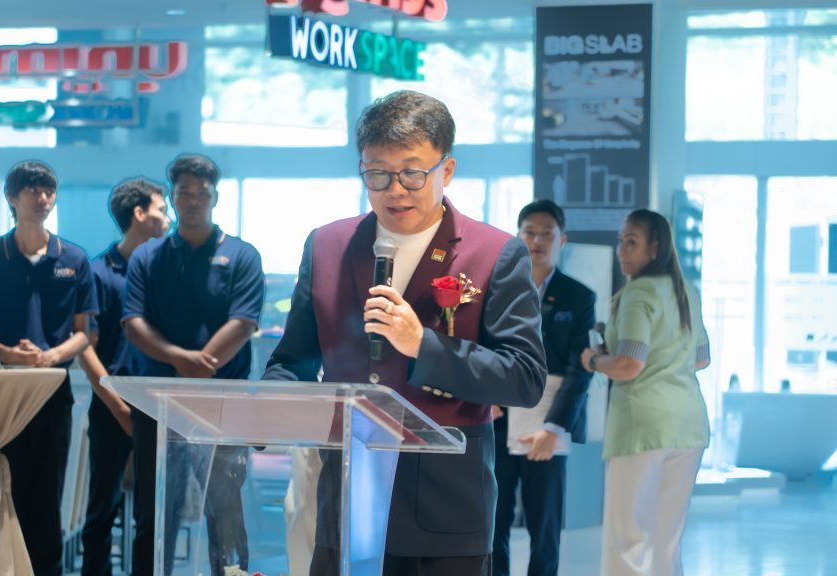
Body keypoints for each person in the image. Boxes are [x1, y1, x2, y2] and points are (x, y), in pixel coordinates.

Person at [262, 90, 547, 576]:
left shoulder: (494, 253)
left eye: (413, 173)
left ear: (446, 170)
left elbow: (524, 378)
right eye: (377, 173)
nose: (395, 190)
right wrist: (267, 408)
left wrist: (423, 345)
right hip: (346, 503)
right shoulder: (328, 244)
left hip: (445, 509)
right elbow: (294, 359)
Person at [123, 154, 265, 576]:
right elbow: (133, 322)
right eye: (184, 192)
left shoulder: (242, 255)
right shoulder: (148, 257)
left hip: (222, 401)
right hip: (157, 404)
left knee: (225, 512)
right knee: (153, 512)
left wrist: (204, 364)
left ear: (214, 197)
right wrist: (181, 359)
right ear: (172, 196)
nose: (192, 201)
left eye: (201, 193)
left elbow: (243, 322)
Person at [0, 160, 98, 576]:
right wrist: (9, 354)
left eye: (48, 190)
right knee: (3, 493)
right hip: (1, 393)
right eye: (32, 190)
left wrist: (48, 356)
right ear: (12, 197)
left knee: (48, 497)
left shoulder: (74, 258)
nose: (42, 198)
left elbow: (85, 333)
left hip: (53, 391)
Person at [580, 209, 710, 576]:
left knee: (628, 538)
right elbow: (701, 358)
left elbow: (629, 364)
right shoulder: (687, 292)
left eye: (631, 242)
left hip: (643, 427)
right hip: (688, 427)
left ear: (655, 248)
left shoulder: (639, 292)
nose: (621, 250)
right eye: (621, 241)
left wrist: (593, 360)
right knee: (667, 539)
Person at [493, 199, 596, 576]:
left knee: (545, 527)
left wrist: (554, 428)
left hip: (549, 426)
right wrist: (487, 398)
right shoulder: (498, 289)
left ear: (562, 240)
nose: (537, 241)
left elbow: (579, 368)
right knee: (494, 524)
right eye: (529, 233)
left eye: (547, 234)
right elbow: (485, 349)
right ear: (518, 237)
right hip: (499, 420)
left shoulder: (579, 296)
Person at [79, 177, 170, 575]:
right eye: (161, 209)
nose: (168, 218)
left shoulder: (163, 271)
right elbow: (84, 346)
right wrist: (117, 406)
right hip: (110, 404)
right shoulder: (99, 272)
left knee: (152, 514)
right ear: (139, 214)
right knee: (102, 509)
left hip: (156, 404)